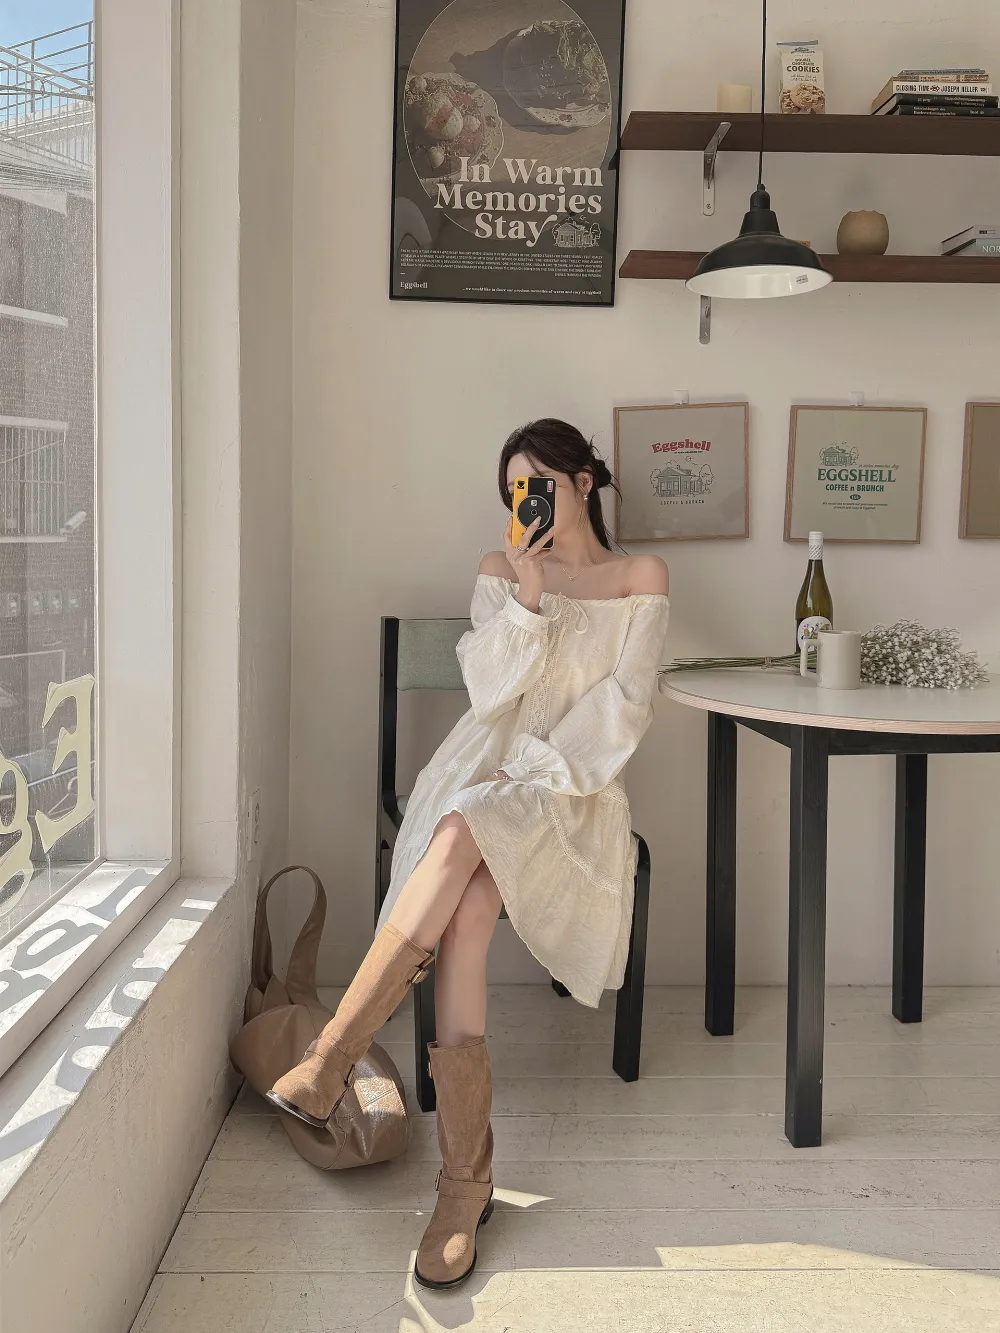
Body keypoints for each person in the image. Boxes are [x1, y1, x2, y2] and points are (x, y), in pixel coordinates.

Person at [267, 419, 669, 1289]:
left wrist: (534, 774)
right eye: (516, 489)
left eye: (542, 484)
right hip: (480, 771)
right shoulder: (500, 571)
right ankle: (464, 1183)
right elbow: (488, 694)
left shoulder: (640, 578)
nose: (529, 501)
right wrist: (528, 593)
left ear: (584, 482)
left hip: (572, 789)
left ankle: (331, 1061)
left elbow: (625, 709)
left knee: (463, 829)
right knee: (469, 905)